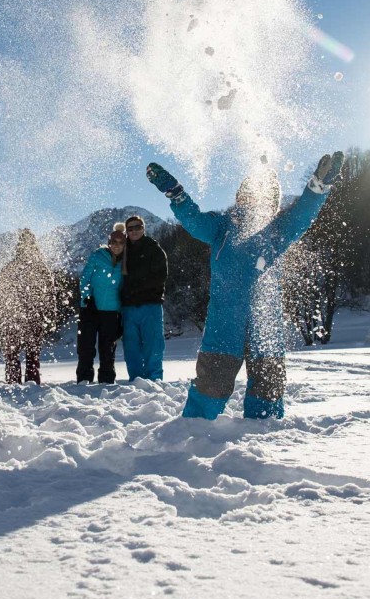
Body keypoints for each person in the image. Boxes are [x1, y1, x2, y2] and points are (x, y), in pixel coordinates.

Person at [145, 152, 344, 420]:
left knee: (268, 392)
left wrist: (318, 188)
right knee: (212, 386)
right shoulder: (221, 227)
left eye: (267, 194)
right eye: (251, 191)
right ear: (242, 195)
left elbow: (301, 216)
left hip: (266, 325)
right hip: (224, 323)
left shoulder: (279, 229)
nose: (257, 198)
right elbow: (193, 220)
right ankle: (190, 435)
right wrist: (175, 192)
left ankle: (263, 441)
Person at [0, 228, 56, 384]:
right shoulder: (12, 267)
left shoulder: (40, 268)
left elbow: (49, 293)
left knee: (30, 355)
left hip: (31, 316)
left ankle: (30, 383)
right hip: (13, 316)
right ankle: (16, 383)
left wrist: (50, 313)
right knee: (14, 354)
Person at [119, 214, 168, 381]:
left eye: (137, 227)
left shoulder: (154, 249)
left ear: (143, 228)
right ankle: (136, 380)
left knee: (153, 343)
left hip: (150, 304)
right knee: (131, 346)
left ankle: (154, 378)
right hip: (128, 306)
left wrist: (136, 287)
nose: (134, 231)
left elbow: (160, 276)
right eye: (130, 229)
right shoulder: (122, 251)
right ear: (126, 231)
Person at [76, 223, 126, 384]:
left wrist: (121, 312)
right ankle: (84, 379)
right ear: (109, 242)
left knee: (107, 349)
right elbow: (85, 278)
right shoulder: (98, 256)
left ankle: (106, 380)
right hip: (90, 309)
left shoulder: (125, 262)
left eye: (121, 243)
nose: (117, 246)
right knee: (86, 347)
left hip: (111, 312)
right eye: (114, 242)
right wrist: (87, 298)